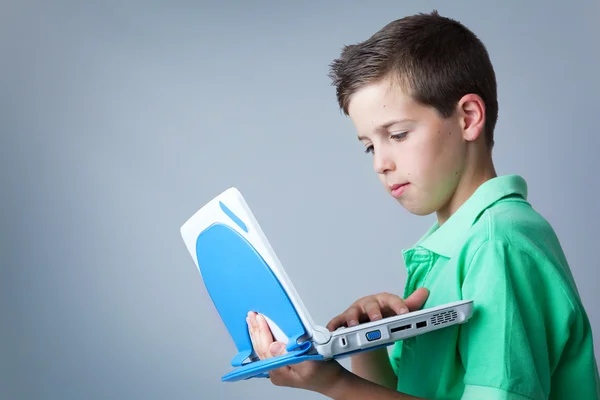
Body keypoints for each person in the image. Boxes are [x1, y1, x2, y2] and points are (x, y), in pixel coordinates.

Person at [247, 10, 600, 399]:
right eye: (369, 146)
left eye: (397, 134)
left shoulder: (497, 244)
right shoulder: (448, 249)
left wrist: (334, 384)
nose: (381, 163)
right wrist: (367, 347)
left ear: (468, 118)